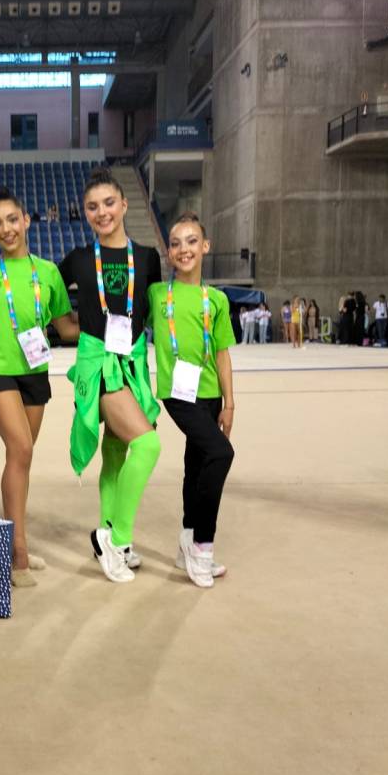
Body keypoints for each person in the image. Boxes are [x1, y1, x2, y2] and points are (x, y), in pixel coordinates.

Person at [59, 168, 162, 584]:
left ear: (124, 204)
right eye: (92, 207)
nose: (101, 212)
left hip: (132, 365)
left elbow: (150, 312)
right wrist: (68, 329)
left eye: (108, 203)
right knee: (148, 445)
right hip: (99, 367)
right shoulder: (79, 259)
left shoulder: (149, 257)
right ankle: (115, 539)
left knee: (117, 453)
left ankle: (110, 531)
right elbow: (47, 294)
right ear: (85, 213)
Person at [0, 187, 78, 587]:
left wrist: (113, 324)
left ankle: (16, 538)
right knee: (21, 448)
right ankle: (17, 554)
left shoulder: (48, 272)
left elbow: (66, 327)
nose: (6, 229)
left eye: (12, 220)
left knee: (21, 458)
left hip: (34, 369)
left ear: (26, 221)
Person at [148, 211, 235, 588]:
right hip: (178, 393)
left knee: (196, 467)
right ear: (168, 252)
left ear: (206, 246)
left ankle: (186, 540)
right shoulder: (156, 294)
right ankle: (202, 545)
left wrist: (229, 403)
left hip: (210, 393)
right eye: (175, 243)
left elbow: (222, 353)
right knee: (221, 453)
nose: (183, 249)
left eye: (191, 241)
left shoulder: (216, 299)